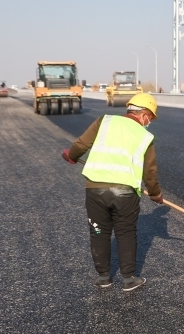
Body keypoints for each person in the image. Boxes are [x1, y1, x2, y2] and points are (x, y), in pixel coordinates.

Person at [62, 93, 163, 291]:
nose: (149, 122)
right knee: (125, 233)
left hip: (96, 189)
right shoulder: (145, 136)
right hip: (125, 193)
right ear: (143, 114)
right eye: (150, 117)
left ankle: (103, 277)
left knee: (98, 231)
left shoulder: (104, 121)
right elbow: (149, 171)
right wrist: (155, 193)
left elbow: (82, 144)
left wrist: (71, 155)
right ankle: (128, 279)